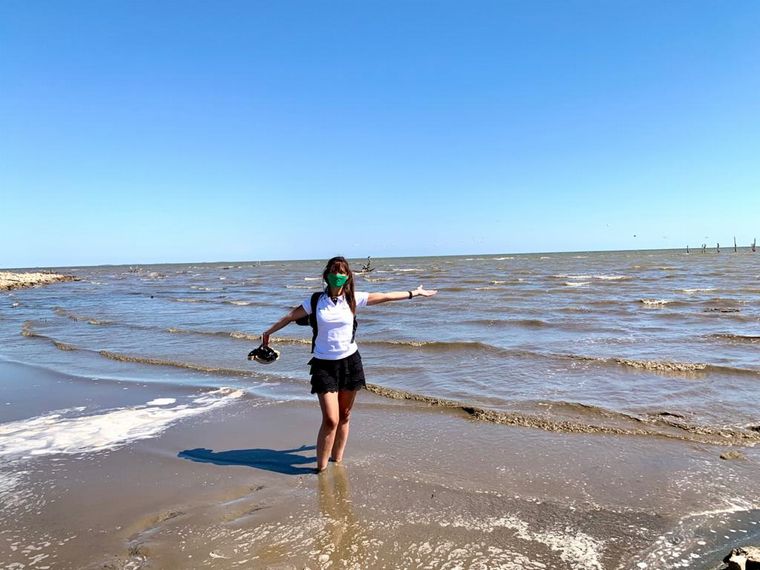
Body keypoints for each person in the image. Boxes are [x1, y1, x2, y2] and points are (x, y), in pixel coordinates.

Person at [261, 256, 437, 473]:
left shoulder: (353, 299)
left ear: (348, 276)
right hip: (323, 365)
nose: (338, 275)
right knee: (331, 419)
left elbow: (385, 296)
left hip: (350, 363)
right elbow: (290, 316)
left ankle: (337, 462)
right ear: (326, 275)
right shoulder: (315, 301)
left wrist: (414, 293)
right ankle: (320, 470)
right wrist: (268, 333)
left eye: (342, 272)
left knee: (344, 415)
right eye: (334, 271)